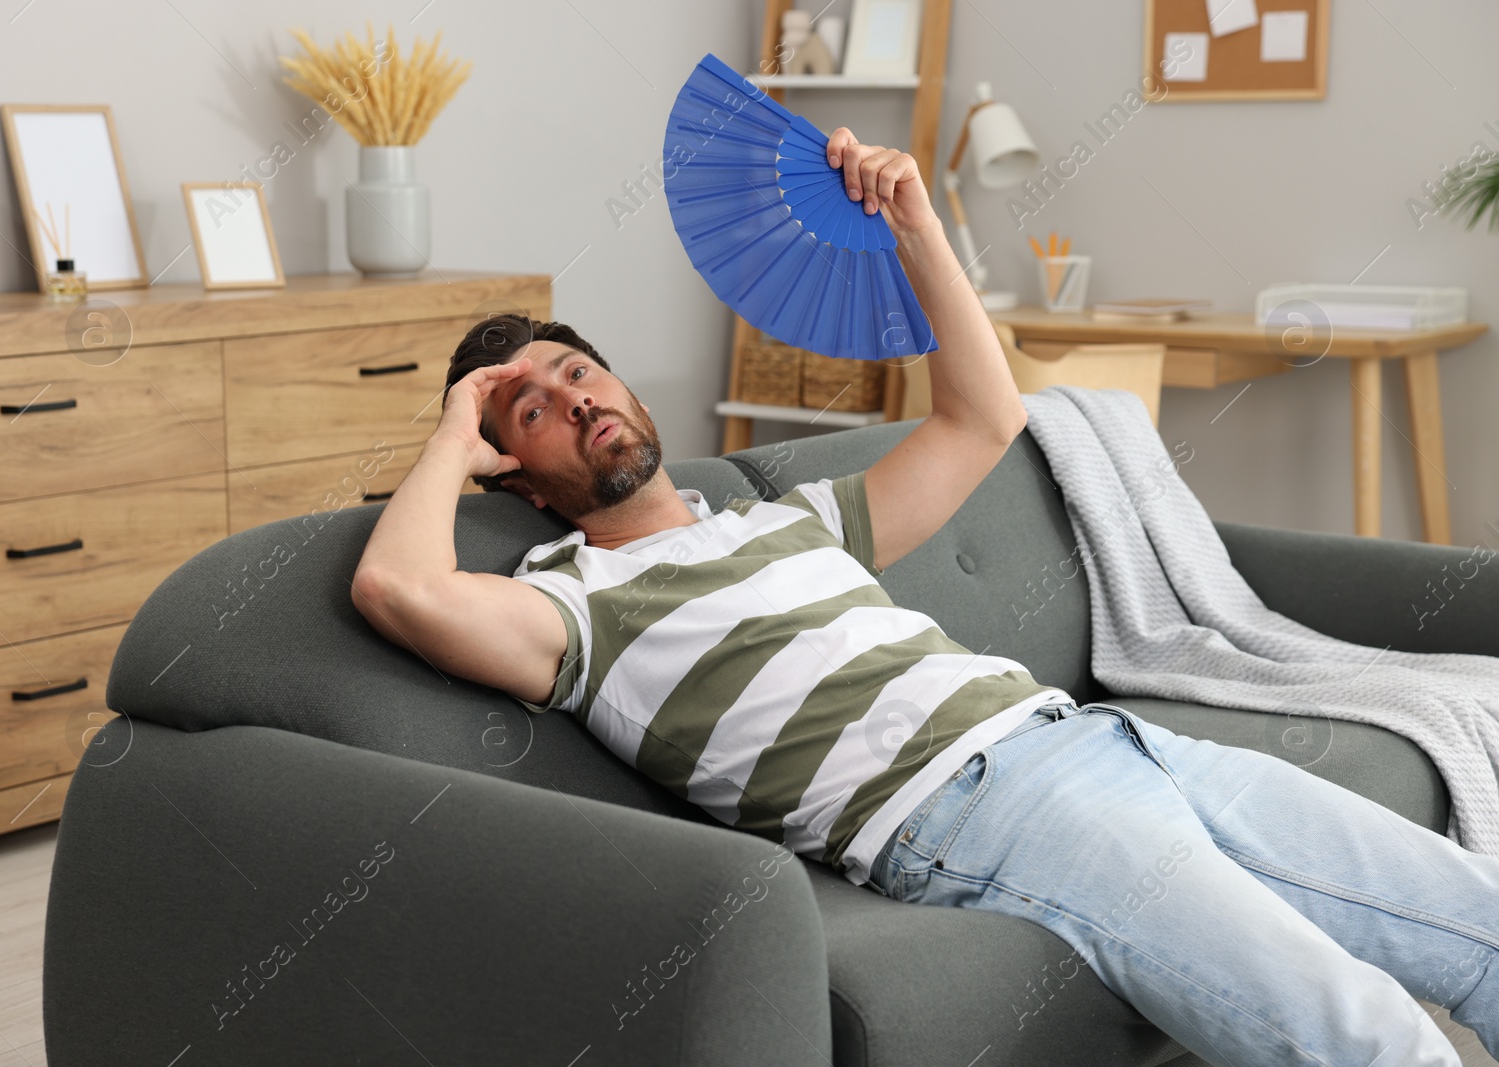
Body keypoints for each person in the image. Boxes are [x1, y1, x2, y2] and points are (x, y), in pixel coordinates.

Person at [350, 128, 1499, 1067]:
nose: (573, 397)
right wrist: (458, 426)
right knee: (1368, 1037)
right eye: (533, 411)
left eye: (577, 371)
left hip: (1101, 738)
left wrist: (913, 220)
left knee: (1480, 930)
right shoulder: (575, 608)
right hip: (979, 812)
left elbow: (983, 417)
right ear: (521, 480)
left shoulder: (785, 522)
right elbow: (396, 583)